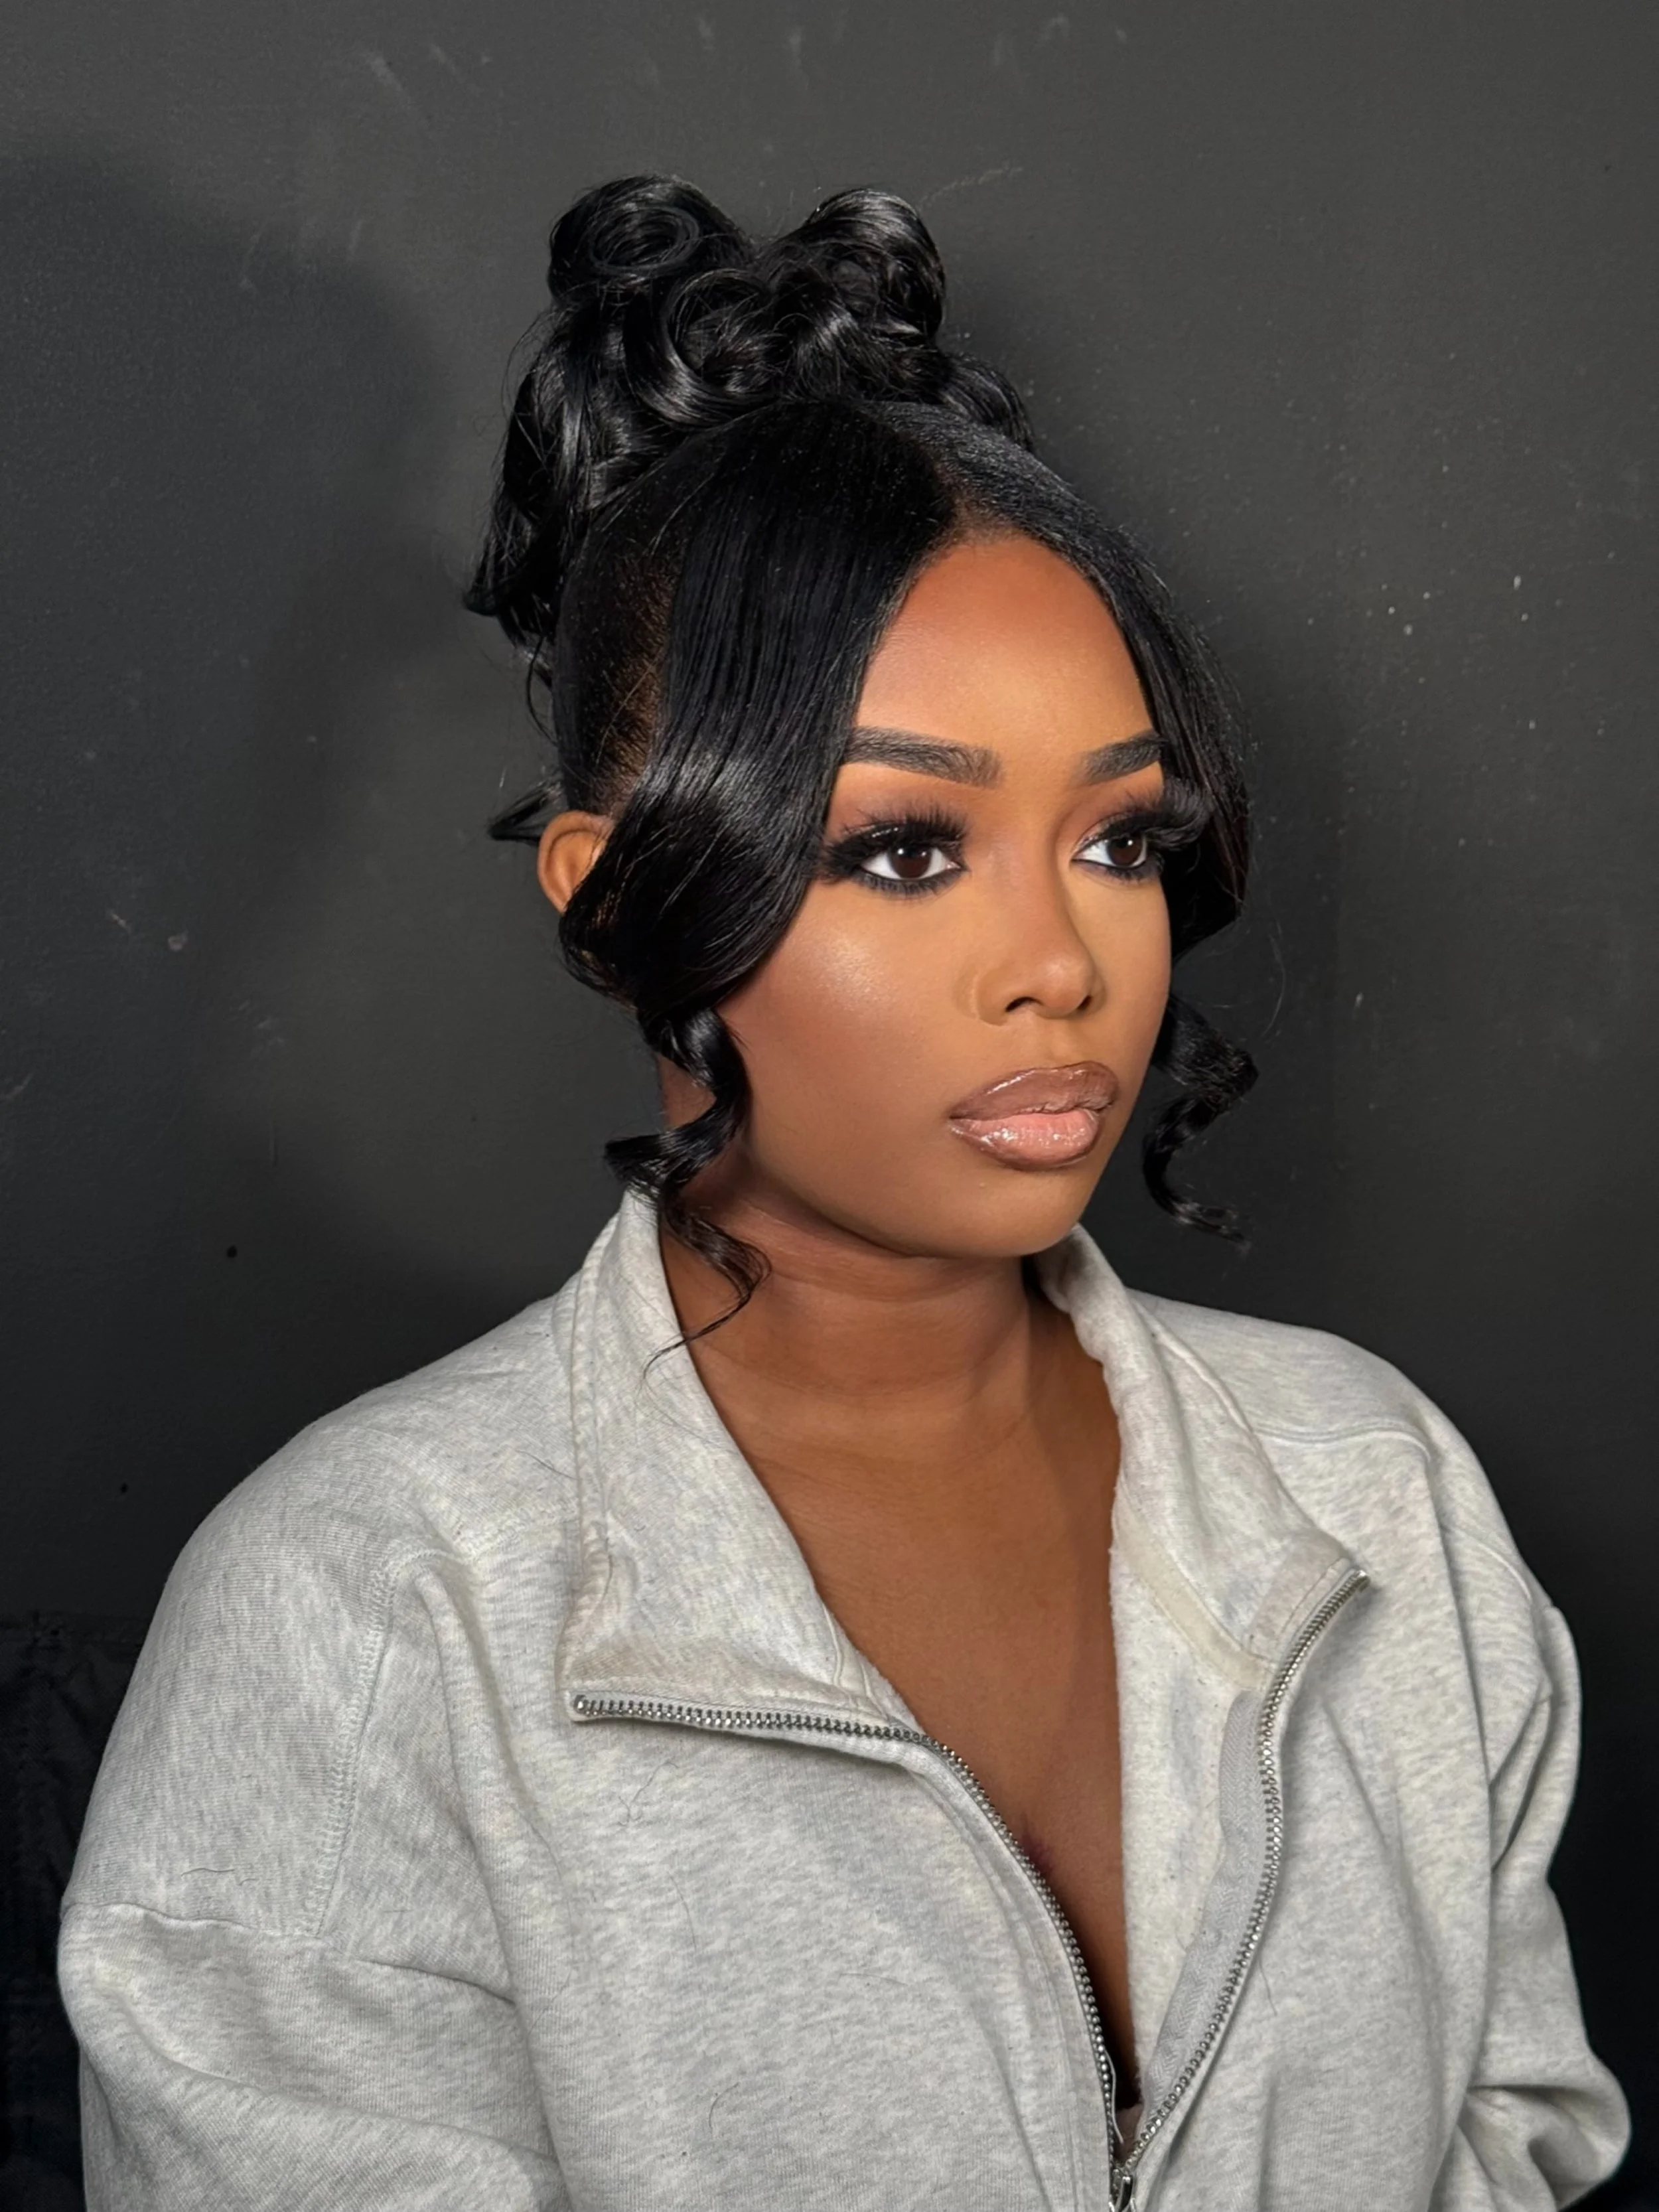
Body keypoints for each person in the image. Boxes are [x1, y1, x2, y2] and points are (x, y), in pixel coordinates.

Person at [59, 177, 1627, 2211]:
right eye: (905, 848)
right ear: (624, 898)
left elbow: (1522, 2140)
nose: (1059, 961)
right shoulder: (365, 1609)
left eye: (1120, 841)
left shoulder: (1376, 1490)